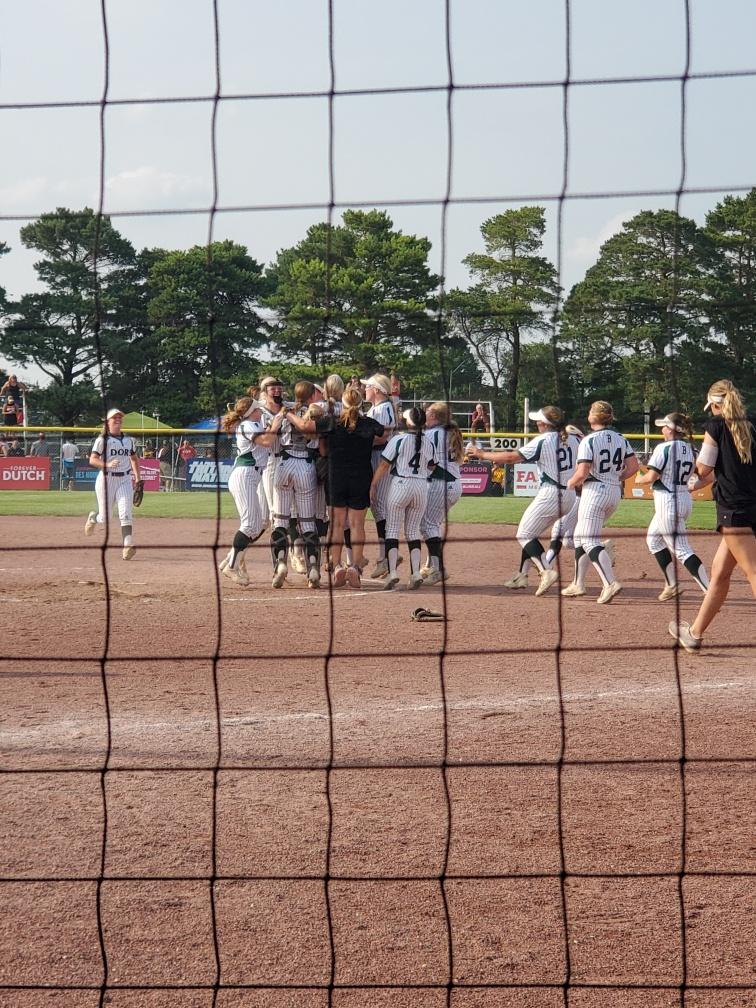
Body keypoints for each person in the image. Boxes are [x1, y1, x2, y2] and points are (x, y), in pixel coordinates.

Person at [669, 379, 756, 652]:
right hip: (752, 506)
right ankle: (694, 633)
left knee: (753, 571)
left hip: (734, 510)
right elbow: (729, 469)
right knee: (719, 574)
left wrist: (694, 474)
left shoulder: (716, 426)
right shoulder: (752, 423)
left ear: (716, 404)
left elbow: (704, 468)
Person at [470, 406, 582, 597]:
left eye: (539, 421)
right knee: (532, 532)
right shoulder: (573, 439)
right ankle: (522, 575)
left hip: (551, 494)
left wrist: (482, 455)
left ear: (545, 424)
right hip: (570, 496)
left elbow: (511, 457)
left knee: (524, 534)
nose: (536, 423)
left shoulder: (544, 440)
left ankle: (546, 570)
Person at [287, 385, 385, 587]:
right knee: (357, 525)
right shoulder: (369, 424)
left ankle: (337, 565)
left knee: (336, 524)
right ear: (360, 403)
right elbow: (383, 436)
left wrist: (289, 415)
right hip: (361, 476)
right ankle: (355, 567)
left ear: (344, 402)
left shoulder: (331, 422)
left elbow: (305, 427)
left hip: (336, 475)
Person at [562, 400, 639, 603]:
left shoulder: (589, 440)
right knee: (580, 536)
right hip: (614, 491)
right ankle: (578, 583)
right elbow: (633, 467)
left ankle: (610, 583)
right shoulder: (621, 438)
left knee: (588, 540)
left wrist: (568, 484)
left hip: (594, 491)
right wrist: (615, 479)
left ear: (593, 417)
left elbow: (582, 472)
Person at [635, 412, 709, 601]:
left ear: (672, 429)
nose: (662, 429)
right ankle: (672, 585)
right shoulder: (691, 449)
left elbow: (651, 477)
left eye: (665, 426)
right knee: (653, 540)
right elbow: (705, 474)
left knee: (682, 549)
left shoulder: (664, 448)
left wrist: (639, 478)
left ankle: (710, 592)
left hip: (668, 501)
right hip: (683, 498)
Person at [218, 396, 286, 586]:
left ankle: (230, 560)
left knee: (256, 525)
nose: (260, 411)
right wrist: (275, 424)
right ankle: (231, 566)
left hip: (253, 476)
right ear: (251, 412)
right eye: (257, 409)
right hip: (245, 475)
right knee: (249, 525)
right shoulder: (248, 424)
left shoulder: (254, 424)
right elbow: (266, 441)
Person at [370, 406, 437, 590]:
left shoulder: (399, 439)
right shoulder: (429, 442)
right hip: (421, 486)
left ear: (409, 422)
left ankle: (392, 573)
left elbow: (383, 465)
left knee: (392, 530)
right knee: (412, 532)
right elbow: (432, 466)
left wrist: (374, 484)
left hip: (401, 484)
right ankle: (415, 573)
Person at [269, 380, 323, 589]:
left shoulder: (284, 412)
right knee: (308, 522)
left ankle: (281, 564)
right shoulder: (316, 413)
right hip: (306, 464)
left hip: (283, 463)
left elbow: (274, 439)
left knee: (280, 520)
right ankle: (313, 568)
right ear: (312, 396)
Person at [84, 408, 141, 560]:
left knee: (125, 513)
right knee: (105, 517)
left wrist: (138, 478)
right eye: (114, 418)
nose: (117, 420)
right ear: (107, 422)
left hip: (124, 480)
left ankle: (128, 545)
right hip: (106, 479)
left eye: (119, 418)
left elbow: (134, 459)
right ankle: (93, 518)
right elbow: (92, 459)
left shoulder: (129, 441)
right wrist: (107, 465)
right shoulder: (102, 440)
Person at [419, 402, 465, 585]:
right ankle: (431, 565)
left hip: (441, 483)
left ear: (434, 417)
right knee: (433, 524)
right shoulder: (450, 431)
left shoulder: (431, 433)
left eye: (428, 413)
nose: (425, 415)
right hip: (453, 484)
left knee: (427, 525)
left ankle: (439, 569)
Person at [361, 373, 398, 578]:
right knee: (378, 507)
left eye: (368, 387)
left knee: (380, 507)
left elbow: (382, 436)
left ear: (376, 389)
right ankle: (387, 555)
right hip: (376, 458)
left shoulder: (383, 408)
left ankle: (386, 557)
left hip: (380, 459)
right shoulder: (378, 408)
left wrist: (358, 441)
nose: (365, 390)